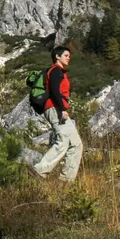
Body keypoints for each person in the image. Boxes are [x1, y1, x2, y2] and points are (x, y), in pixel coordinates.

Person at [32, 45, 83, 182]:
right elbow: (55, 91)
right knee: (63, 141)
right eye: (66, 55)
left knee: (76, 144)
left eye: (69, 56)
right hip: (55, 109)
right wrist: (62, 109)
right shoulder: (55, 71)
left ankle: (66, 180)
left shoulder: (60, 72)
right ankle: (40, 170)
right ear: (57, 56)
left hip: (57, 108)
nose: (68, 58)